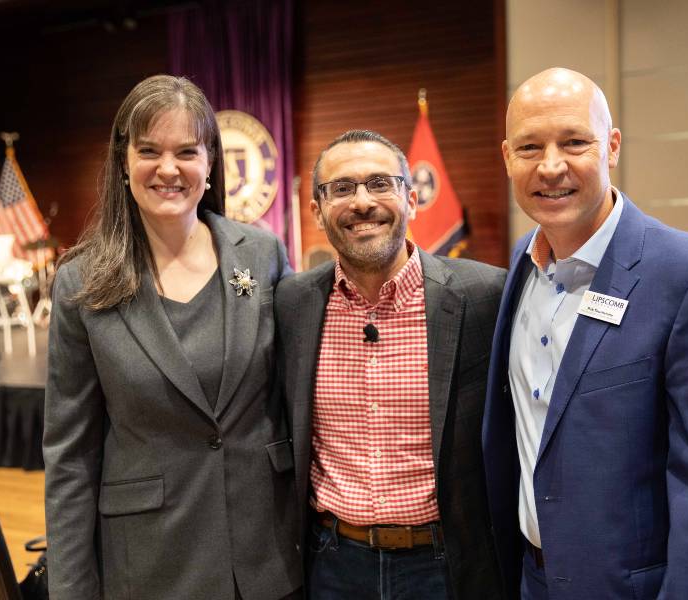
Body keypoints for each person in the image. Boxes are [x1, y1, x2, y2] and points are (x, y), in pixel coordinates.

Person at [482, 68, 688, 599]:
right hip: (533, 581)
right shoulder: (520, 265)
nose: (551, 166)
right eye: (529, 147)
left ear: (611, 147)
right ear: (506, 157)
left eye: (574, 142)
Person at [43, 75, 300, 600]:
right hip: (151, 565)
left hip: (267, 560)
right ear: (123, 162)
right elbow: (70, 456)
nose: (168, 168)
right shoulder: (82, 282)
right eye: (149, 151)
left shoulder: (262, 255)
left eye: (187, 151)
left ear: (209, 164)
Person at [275, 130, 506, 600]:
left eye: (381, 183)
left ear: (412, 199)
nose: (362, 202)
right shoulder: (292, 303)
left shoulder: (486, 296)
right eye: (341, 189)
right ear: (317, 211)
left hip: (446, 566)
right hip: (332, 564)